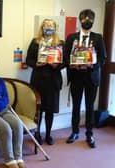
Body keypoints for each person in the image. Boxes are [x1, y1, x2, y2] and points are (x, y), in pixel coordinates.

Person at [64, 9, 107, 148]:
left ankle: (89, 134)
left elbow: (103, 58)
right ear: (80, 19)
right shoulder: (71, 38)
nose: (87, 21)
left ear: (93, 21)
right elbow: (65, 57)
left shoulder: (98, 38)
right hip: (76, 76)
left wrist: (92, 64)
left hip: (91, 77)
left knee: (89, 106)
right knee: (76, 106)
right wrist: (71, 65)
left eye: (90, 19)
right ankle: (75, 132)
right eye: (84, 18)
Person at [26, 19, 65, 145]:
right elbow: (28, 60)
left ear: (55, 28)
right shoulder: (35, 42)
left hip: (53, 80)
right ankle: (37, 133)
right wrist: (36, 64)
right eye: (46, 25)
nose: (48, 27)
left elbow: (65, 62)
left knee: (50, 109)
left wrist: (56, 65)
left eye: (51, 25)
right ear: (42, 28)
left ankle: (48, 134)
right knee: (39, 109)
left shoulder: (60, 43)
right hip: (38, 80)